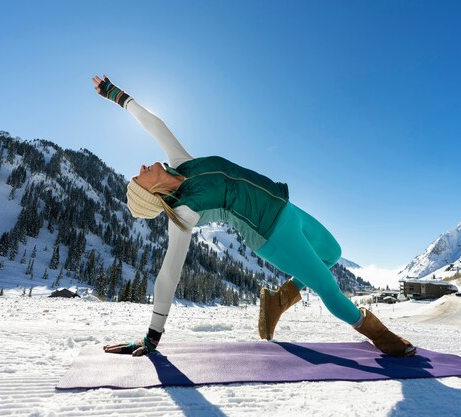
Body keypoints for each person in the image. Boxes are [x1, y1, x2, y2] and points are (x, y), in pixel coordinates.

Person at [94, 75, 416, 358]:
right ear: (152, 195)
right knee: (328, 288)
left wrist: (116, 95)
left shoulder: (182, 162)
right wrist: (152, 335)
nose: (140, 169)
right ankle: (379, 334)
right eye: (139, 179)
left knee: (332, 252)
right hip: (271, 233)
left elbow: (155, 124)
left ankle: (278, 301)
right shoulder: (183, 213)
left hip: (285, 206)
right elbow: (169, 273)